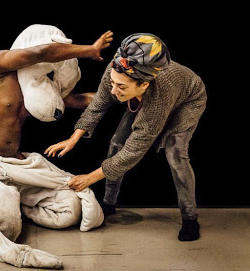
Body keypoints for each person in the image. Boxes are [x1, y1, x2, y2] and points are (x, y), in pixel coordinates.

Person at [0, 29, 114, 221]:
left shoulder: (36, 86)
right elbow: (40, 52)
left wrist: (118, 96)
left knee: (71, 208)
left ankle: (19, 203)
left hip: (14, 162)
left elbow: (76, 100)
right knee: (5, 220)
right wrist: (89, 50)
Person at [45, 33, 207, 241]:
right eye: (113, 83)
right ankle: (109, 203)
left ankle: (190, 219)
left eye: (121, 87)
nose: (114, 90)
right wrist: (73, 138)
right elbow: (98, 105)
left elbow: (134, 151)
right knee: (116, 143)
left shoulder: (158, 97)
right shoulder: (118, 67)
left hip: (188, 100)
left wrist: (89, 178)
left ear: (144, 85)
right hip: (148, 96)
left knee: (175, 154)